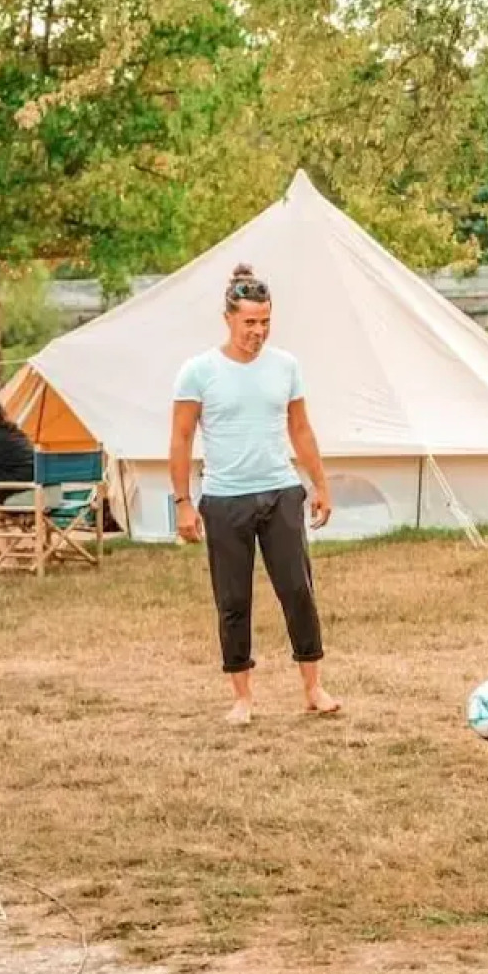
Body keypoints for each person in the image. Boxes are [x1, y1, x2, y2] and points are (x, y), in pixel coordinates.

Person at [170, 263, 337, 725]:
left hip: (280, 491)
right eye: (249, 322)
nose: (257, 331)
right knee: (233, 600)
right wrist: (182, 502)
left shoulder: (286, 366)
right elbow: (181, 437)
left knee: (297, 591)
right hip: (224, 499)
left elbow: (299, 428)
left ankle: (313, 687)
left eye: (265, 321)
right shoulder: (198, 371)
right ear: (228, 318)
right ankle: (242, 697)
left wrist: (319, 485)